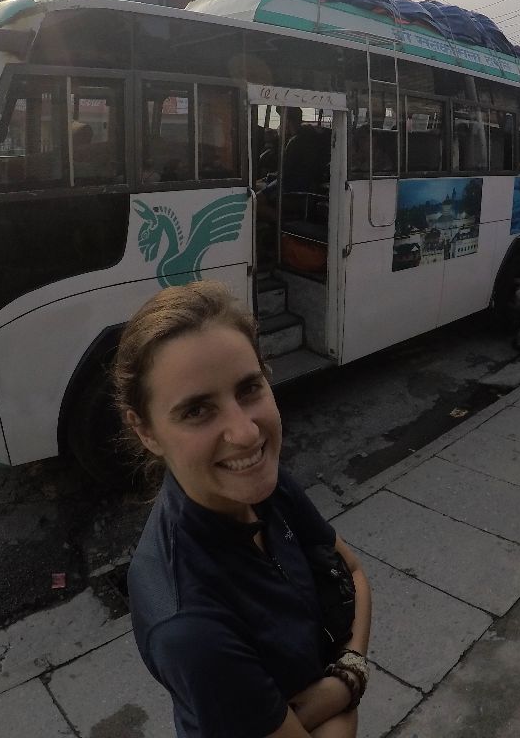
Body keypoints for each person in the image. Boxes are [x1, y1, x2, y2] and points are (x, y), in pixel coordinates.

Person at [118, 281, 372, 738]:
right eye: (197, 411)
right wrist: (345, 694)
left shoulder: (261, 487)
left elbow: (352, 572)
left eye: (249, 388)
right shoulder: (189, 625)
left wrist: (346, 675)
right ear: (146, 431)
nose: (246, 433)